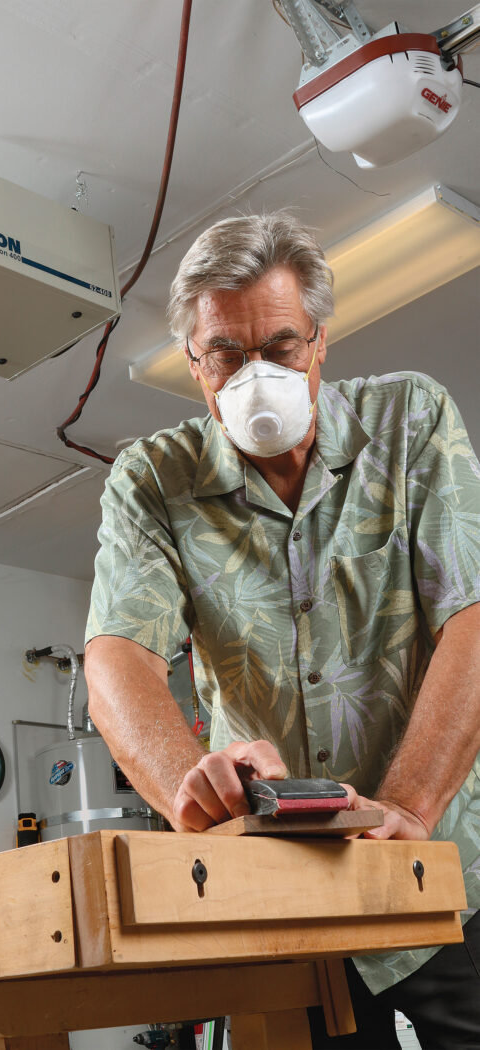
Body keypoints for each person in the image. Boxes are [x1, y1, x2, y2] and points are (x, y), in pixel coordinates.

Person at [83, 213, 480, 1048]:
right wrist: (189, 785)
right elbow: (118, 657)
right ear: (194, 365)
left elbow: (472, 621)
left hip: (449, 872)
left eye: (283, 346)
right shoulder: (153, 481)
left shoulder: (410, 422)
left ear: (320, 344)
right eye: (225, 350)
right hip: (286, 894)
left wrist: (408, 807)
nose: (254, 372)